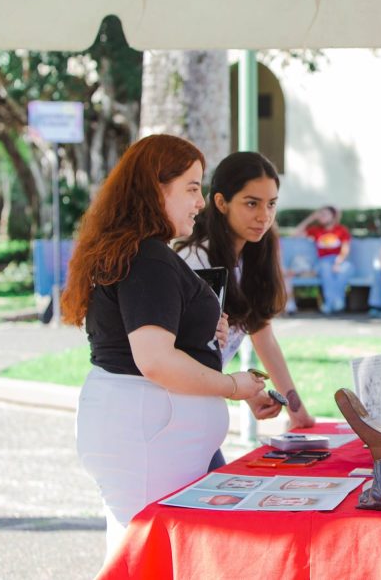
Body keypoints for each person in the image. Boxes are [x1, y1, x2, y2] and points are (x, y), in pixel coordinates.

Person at [61, 134, 266, 560]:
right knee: (146, 557)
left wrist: (206, 327)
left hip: (143, 430)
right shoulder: (147, 257)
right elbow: (153, 358)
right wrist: (233, 385)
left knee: (140, 551)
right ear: (157, 189)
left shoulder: (137, 252)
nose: (201, 201)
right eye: (191, 188)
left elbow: (156, 337)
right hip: (147, 433)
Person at [175, 150, 316, 468]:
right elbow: (180, 355)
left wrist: (296, 409)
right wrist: (237, 389)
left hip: (201, 411)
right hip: (174, 415)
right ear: (221, 203)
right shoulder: (198, 261)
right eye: (251, 203)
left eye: (271, 204)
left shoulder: (253, 256)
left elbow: (263, 335)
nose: (264, 216)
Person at [295, 205, 352, 314]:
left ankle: (331, 303)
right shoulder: (316, 230)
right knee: (326, 268)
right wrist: (311, 218)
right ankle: (336, 302)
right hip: (323, 261)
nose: (322, 217)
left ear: (333, 216)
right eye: (320, 214)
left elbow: (345, 248)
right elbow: (296, 233)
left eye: (325, 214)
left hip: (339, 260)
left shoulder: (341, 230)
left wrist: (338, 262)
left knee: (343, 270)